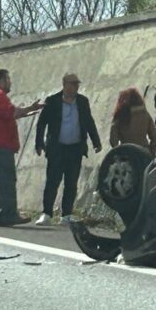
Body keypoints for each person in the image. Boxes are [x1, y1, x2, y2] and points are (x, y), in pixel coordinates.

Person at [0, 69, 44, 227]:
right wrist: (29, 109)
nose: (10, 82)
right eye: (8, 79)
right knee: (6, 180)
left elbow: (7, 114)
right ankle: (9, 214)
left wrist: (28, 110)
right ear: (1, 80)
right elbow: (12, 112)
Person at [34, 72, 102, 226]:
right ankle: (46, 214)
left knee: (71, 182)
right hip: (57, 148)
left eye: (77, 84)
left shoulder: (83, 102)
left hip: (75, 148)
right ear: (64, 84)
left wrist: (95, 141)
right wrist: (39, 143)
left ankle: (66, 215)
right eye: (72, 83)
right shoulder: (52, 101)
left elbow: (89, 122)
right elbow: (41, 123)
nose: (75, 86)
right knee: (53, 181)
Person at [109, 87, 156, 156]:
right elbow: (154, 135)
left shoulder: (120, 116)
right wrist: (152, 152)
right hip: (144, 152)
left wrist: (118, 152)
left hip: (127, 153)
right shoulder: (145, 114)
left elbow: (113, 140)